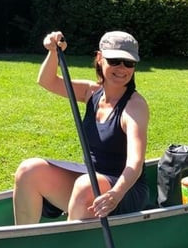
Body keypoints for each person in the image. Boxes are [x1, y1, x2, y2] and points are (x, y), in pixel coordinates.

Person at [13, 30, 150, 224]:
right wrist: (54, 51)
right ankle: (23, 243)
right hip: (89, 179)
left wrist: (115, 194)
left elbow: (135, 163)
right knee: (29, 170)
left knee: (85, 186)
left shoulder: (135, 106)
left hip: (124, 189)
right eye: (115, 61)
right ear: (100, 58)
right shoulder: (91, 92)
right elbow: (47, 81)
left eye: (129, 63)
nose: (122, 68)